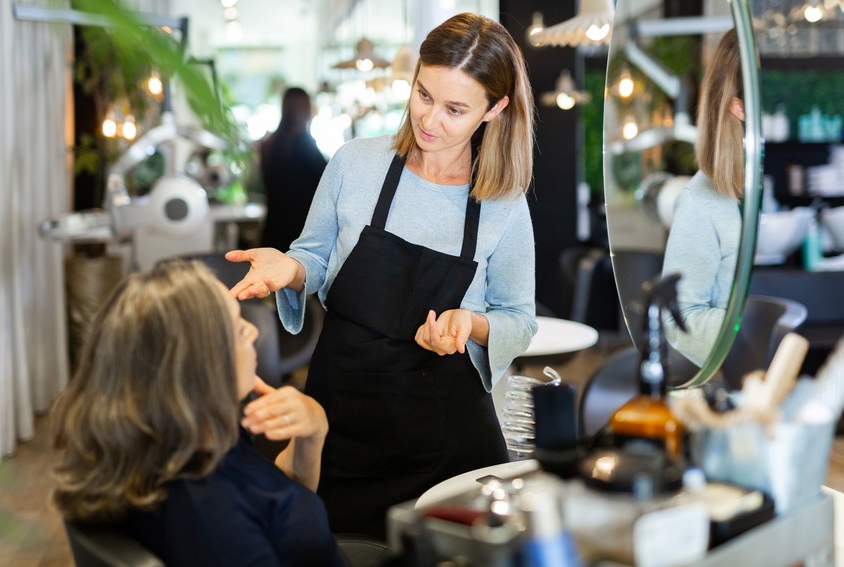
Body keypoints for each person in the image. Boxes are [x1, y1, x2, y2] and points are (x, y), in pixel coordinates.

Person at [226, 12, 537, 540]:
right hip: (342, 425)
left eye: (455, 109)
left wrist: (470, 325)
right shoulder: (354, 164)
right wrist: (292, 266)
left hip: (447, 443)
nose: (430, 120)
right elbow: (316, 256)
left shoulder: (502, 203)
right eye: (423, 95)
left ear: (496, 109)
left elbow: (518, 318)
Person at [50, 260, 343, 567]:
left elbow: (275, 503)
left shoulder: (182, 436)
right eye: (238, 328)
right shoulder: (210, 513)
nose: (254, 331)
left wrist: (312, 433)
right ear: (200, 364)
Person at [661, 29, 744, 366]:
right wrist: (754, 328)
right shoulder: (702, 201)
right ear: (739, 107)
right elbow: (678, 318)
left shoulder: (762, 183)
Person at [260, 87, 328, 252]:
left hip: (273, 227)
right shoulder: (305, 144)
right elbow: (327, 181)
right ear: (305, 108)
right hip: (300, 231)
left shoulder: (270, 143)